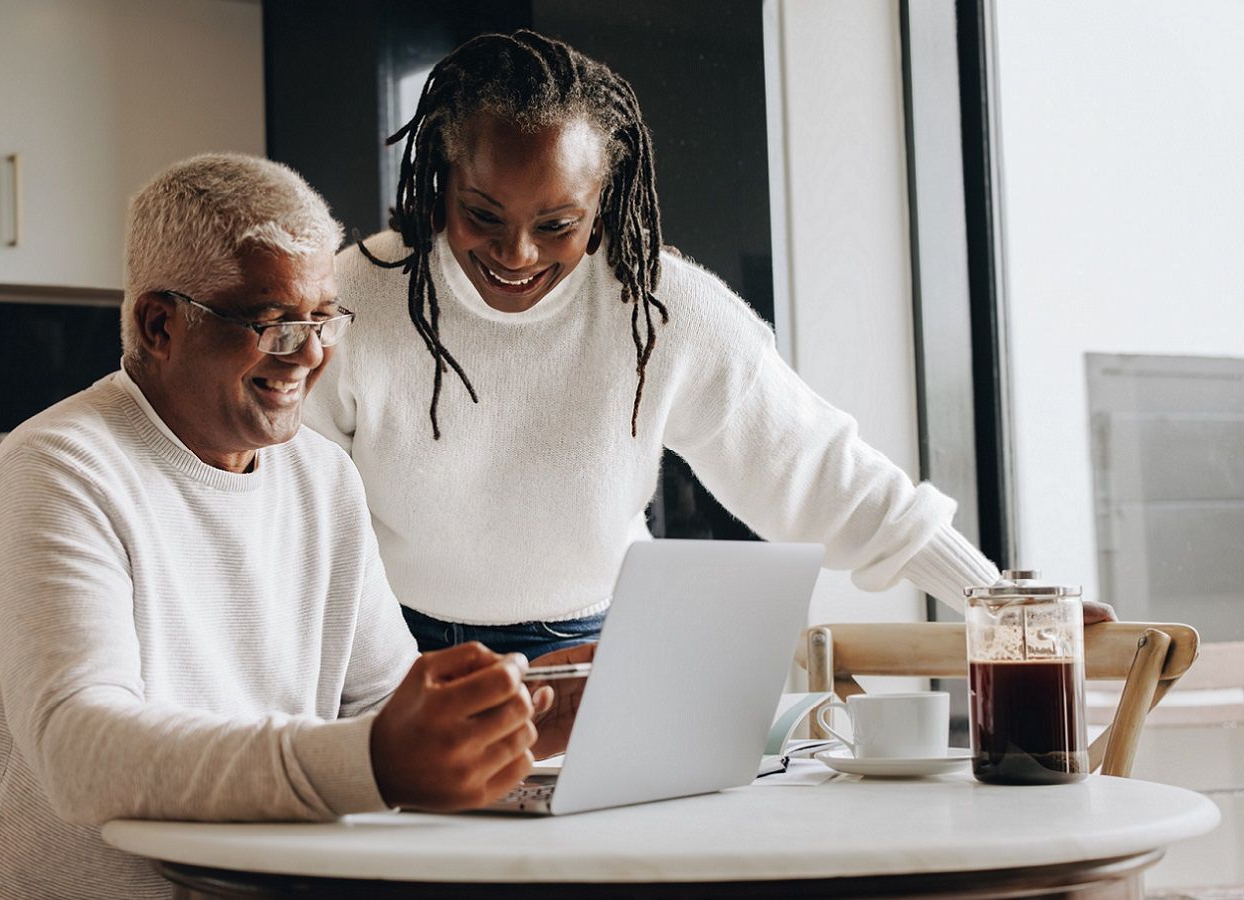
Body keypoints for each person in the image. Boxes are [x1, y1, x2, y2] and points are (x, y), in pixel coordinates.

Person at [303, 30, 1112, 659]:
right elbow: (286, 511)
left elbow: (820, 473)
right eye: (484, 214)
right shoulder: (356, 300)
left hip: (599, 648)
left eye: (556, 226)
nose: (516, 254)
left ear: (603, 201)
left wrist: (994, 597)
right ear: (440, 178)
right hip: (393, 649)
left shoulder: (660, 308)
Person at [0, 154, 558, 900]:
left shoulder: (322, 476)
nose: (309, 354)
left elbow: (382, 704)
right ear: (159, 325)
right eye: (271, 322)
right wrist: (373, 760)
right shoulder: (58, 470)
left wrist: (539, 703)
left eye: (322, 319)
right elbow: (81, 754)